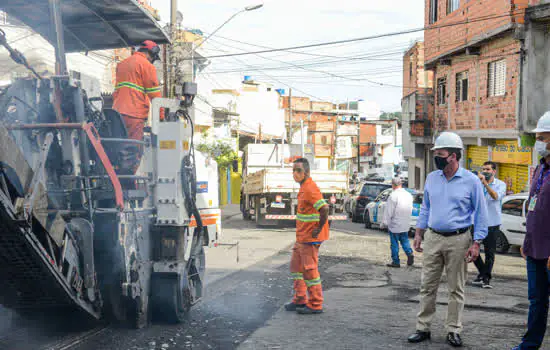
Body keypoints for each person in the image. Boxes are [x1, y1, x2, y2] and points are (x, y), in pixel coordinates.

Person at [407, 131, 488, 348]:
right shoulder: (432, 178)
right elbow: (426, 207)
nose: (436, 157)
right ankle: (422, 328)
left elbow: (481, 213)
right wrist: (418, 232)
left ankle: (454, 330)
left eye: (440, 153)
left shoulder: (471, 181)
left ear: (453, 156)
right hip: (433, 237)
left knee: (456, 288)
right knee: (427, 285)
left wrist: (476, 242)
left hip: (459, 240)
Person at [512, 112, 550, 350]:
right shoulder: (540, 169)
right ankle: (530, 344)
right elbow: (534, 206)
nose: (538, 142)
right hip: (535, 249)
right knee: (536, 300)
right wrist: (527, 243)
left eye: (542, 137)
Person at [285, 158, 329, 315]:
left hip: (310, 238)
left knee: (310, 270)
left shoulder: (310, 188)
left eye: (298, 171)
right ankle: (300, 299)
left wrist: (318, 228)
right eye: (293, 170)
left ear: (307, 172)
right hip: (302, 238)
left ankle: (316, 304)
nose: (295, 174)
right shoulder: (304, 187)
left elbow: (324, 208)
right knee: (296, 267)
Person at [113, 40, 162, 173]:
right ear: (151, 53)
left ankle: (118, 178)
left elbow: (116, 91)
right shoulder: (146, 66)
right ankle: (129, 181)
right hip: (134, 114)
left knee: (119, 149)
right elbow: (155, 96)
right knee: (134, 150)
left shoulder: (121, 65)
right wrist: (162, 117)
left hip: (117, 113)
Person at [471, 161, 506, 289]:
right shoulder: (476, 184)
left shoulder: (500, 184)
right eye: (483, 169)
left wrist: (485, 184)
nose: (485, 171)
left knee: (489, 252)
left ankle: (486, 279)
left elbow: (495, 196)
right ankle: (483, 273)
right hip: (477, 222)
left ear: (494, 171)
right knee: (471, 249)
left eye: (488, 169)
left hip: (492, 223)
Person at [382, 177, 414, 268]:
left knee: (394, 243)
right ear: (401, 184)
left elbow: (389, 211)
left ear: (393, 185)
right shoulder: (408, 195)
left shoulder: (393, 196)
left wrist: (384, 223)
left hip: (395, 224)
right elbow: (410, 209)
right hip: (405, 223)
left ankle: (396, 261)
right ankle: (409, 253)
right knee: (405, 240)